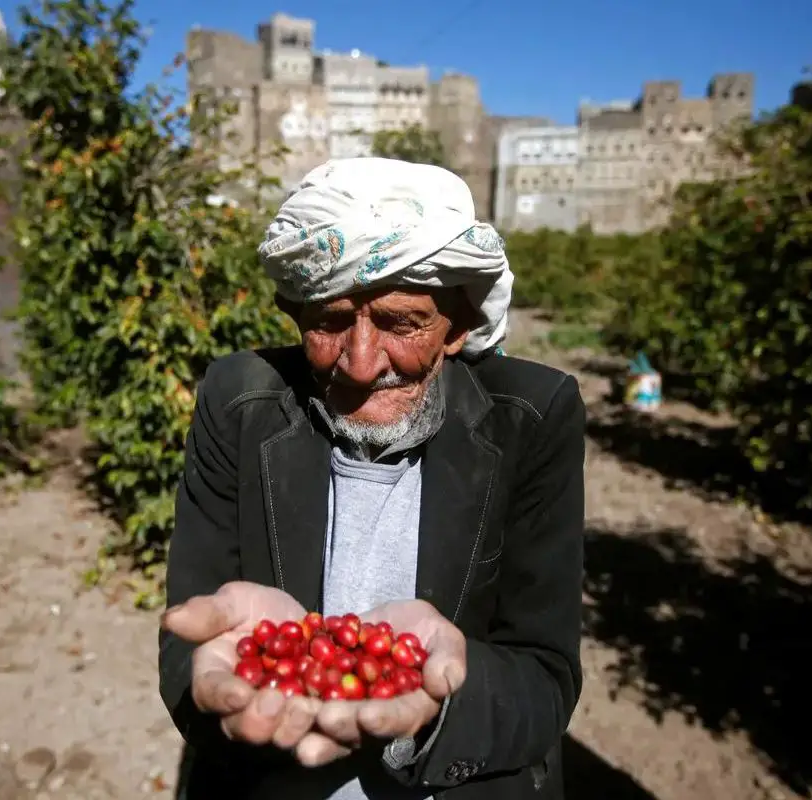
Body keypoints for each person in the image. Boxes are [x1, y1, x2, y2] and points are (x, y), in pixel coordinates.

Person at [159, 157, 585, 800]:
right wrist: (241, 704)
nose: (360, 365)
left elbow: (545, 673)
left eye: (401, 323)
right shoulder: (237, 403)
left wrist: (442, 698)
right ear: (294, 312)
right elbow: (191, 641)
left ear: (458, 327)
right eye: (329, 322)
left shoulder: (530, 419)